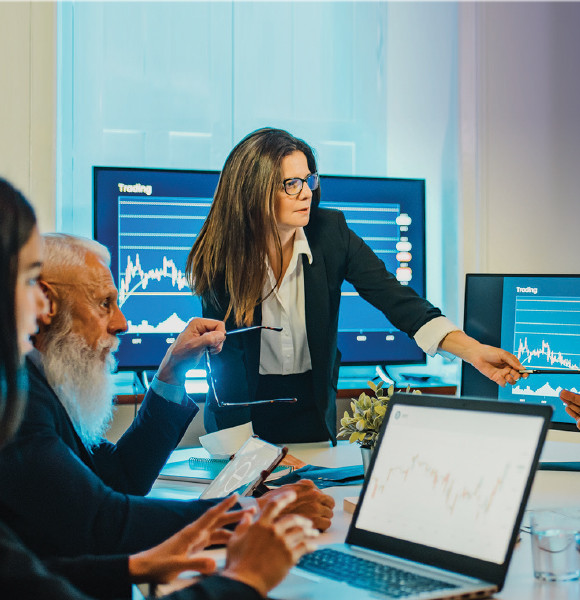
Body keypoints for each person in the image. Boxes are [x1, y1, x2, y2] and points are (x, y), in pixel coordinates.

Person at [0, 176, 319, 599]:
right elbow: (103, 522)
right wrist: (253, 518)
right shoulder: (15, 399)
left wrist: (171, 372)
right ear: (47, 299)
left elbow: (119, 479)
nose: (122, 324)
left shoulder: (42, 382)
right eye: (104, 303)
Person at [186, 127, 527, 444]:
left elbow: (397, 299)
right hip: (242, 408)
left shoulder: (331, 233)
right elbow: (227, 362)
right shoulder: (221, 256)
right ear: (254, 191)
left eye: (309, 180)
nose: (307, 192)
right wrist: (240, 457)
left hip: (310, 405)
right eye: (292, 184)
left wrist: (472, 351)